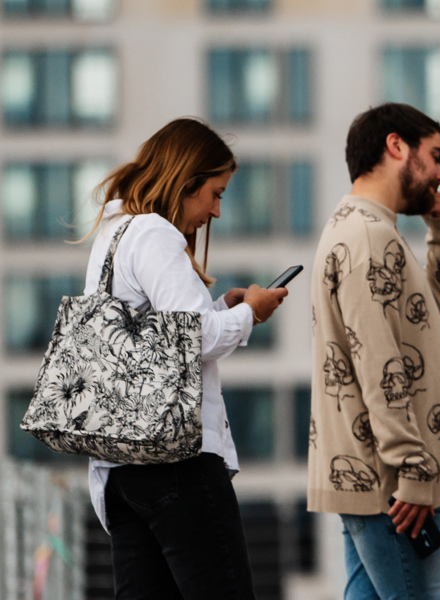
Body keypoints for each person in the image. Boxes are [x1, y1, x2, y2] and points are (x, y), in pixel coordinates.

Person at [83, 118, 287, 598]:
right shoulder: (155, 233)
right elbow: (191, 339)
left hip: (120, 467)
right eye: (214, 193)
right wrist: (251, 314)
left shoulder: (114, 235)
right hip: (176, 460)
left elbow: (151, 335)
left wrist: (221, 310)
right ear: (184, 181)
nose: (216, 210)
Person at [309, 102, 440, 600]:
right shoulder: (368, 237)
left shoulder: (367, 229)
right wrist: (413, 471)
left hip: (376, 475)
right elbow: (379, 363)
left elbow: (431, 326)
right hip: (392, 482)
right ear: (396, 146)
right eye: (436, 157)